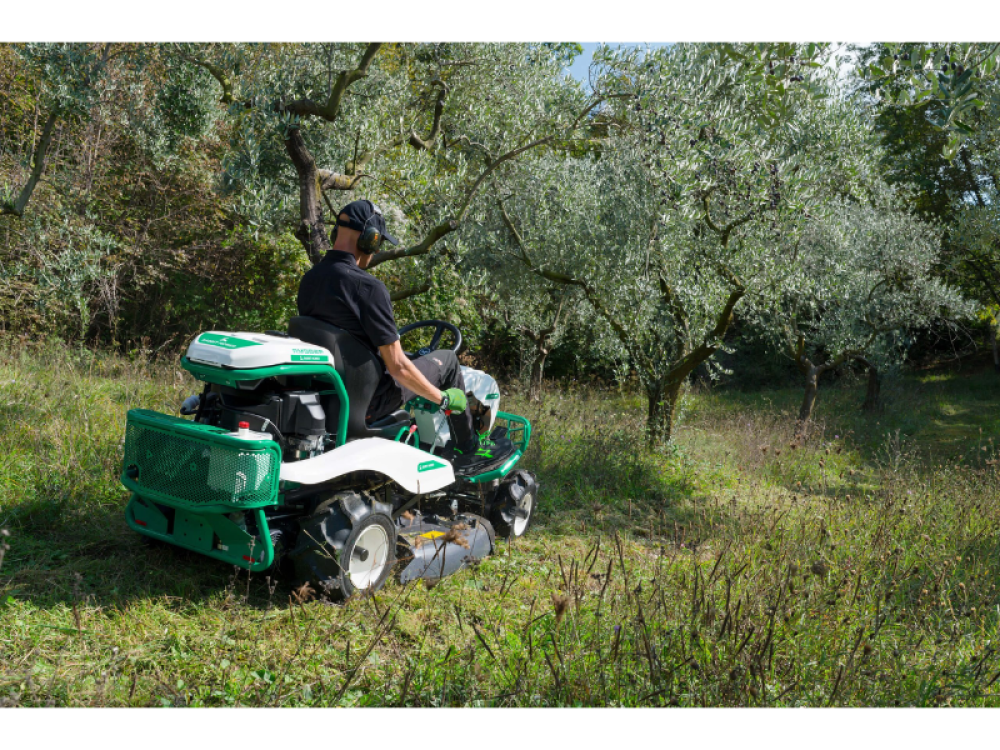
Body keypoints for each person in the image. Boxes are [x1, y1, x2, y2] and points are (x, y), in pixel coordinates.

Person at [296, 199, 513, 474]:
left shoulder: (310, 280)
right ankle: (467, 449)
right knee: (447, 360)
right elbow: (398, 366)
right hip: (371, 400)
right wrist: (443, 399)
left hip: (332, 397)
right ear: (370, 240)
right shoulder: (368, 288)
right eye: (378, 243)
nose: (377, 251)